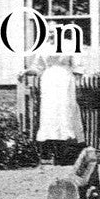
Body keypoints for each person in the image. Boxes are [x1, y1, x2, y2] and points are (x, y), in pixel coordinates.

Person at [33, 30, 85, 161]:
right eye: (48, 32)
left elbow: (77, 68)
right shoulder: (42, 46)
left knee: (65, 112)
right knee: (50, 114)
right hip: (48, 81)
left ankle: (66, 152)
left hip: (65, 81)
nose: (51, 35)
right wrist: (25, 72)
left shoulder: (69, 45)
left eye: (53, 31)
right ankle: (51, 151)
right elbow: (38, 67)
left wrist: (78, 86)